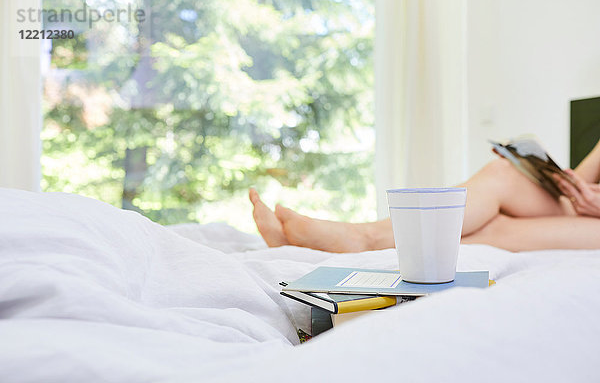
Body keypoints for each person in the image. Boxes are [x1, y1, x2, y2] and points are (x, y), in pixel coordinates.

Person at [249, 139, 600, 252]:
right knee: (502, 173)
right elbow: (580, 180)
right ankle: (364, 235)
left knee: (492, 231)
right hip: (585, 211)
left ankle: (366, 237)